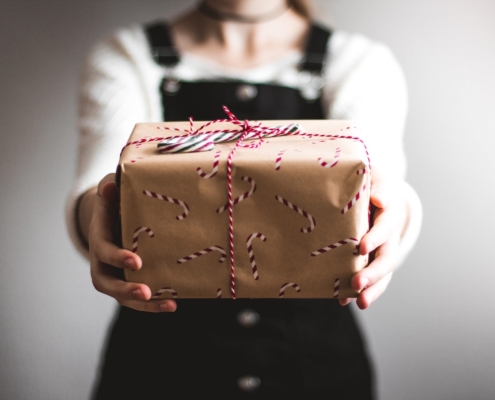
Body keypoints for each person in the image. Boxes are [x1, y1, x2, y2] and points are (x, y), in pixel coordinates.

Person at [66, 0, 422, 398]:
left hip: (315, 372)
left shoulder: (358, 61)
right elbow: (101, 182)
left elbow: (382, 180)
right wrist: (96, 218)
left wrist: (396, 212)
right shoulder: (127, 56)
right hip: (159, 373)